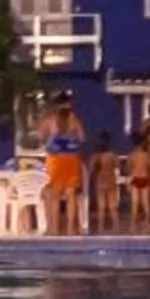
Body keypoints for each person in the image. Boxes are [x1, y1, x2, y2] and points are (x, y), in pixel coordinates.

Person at [39, 94, 87, 233]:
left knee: (55, 195)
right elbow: (82, 138)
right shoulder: (73, 119)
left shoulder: (49, 120)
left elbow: (42, 138)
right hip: (71, 158)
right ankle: (71, 228)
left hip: (55, 159)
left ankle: (54, 228)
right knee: (71, 194)